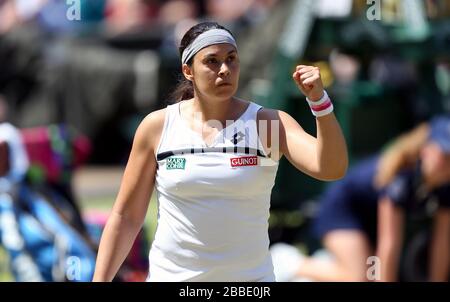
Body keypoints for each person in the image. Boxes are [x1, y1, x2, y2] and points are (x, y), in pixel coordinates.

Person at [92, 21, 348, 282]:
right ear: (188, 70)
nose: (224, 69)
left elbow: (331, 168)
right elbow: (126, 217)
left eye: (231, 59)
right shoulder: (158, 127)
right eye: (212, 61)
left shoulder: (267, 125)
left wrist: (319, 102)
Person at [271, 115, 450, 282]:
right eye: (444, 155)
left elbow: (442, 242)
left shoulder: (444, 185)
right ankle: (289, 262)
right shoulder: (400, 177)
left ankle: (329, 261)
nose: (447, 164)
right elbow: (389, 243)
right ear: (426, 149)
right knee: (359, 278)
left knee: (371, 274)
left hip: (369, 224)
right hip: (342, 213)